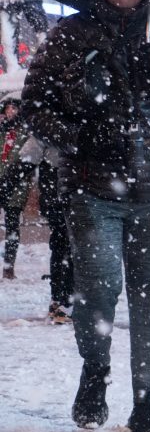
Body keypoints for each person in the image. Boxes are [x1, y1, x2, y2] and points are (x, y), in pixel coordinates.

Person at [21, 0, 150, 432]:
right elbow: (34, 106)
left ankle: (147, 404)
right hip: (92, 190)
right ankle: (95, 372)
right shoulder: (71, 34)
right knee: (99, 292)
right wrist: (79, 136)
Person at [23, 129, 72, 323]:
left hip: (54, 195)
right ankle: (65, 303)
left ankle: (59, 299)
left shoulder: (46, 125)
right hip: (69, 195)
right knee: (69, 247)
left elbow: (26, 159)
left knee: (60, 245)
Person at [0, 97, 27, 280]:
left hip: (16, 184)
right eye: (8, 109)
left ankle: (9, 265)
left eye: (14, 108)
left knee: (12, 224)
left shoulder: (24, 132)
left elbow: (26, 158)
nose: (11, 112)